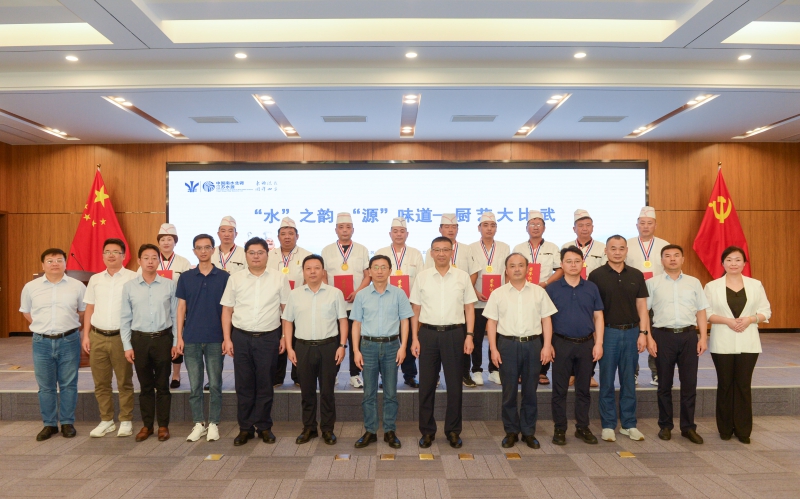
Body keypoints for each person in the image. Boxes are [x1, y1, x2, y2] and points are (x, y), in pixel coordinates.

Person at [221, 237, 290, 446]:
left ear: (268, 255)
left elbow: (286, 311)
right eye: (252, 252)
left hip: (269, 338)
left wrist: (284, 337)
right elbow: (227, 310)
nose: (256, 256)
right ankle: (245, 428)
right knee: (243, 384)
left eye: (260, 252)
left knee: (265, 384)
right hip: (241, 337)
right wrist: (227, 338)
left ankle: (264, 426)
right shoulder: (235, 278)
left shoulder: (279, 278)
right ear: (246, 255)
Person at [410, 236, 478, 449]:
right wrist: (414, 338)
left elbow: (469, 308)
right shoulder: (422, 277)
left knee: (455, 386)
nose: (441, 254)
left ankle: (453, 431)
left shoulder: (462, 276)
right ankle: (427, 431)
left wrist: (469, 335)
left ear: (451, 252)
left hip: (454, 334)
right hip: (427, 335)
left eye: (445, 250)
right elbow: (415, 310)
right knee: (426, 386)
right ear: (431, 253)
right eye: (437, 250)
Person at [485, 253, 557, 449]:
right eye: (512, 266)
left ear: (527, 269)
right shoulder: (498, 293)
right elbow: (491, 323)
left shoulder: (538, 292)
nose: (516, 269)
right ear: (506, 270)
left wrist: (547, 345)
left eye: (520, 265)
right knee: (508, 392)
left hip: (533, 345)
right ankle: (510, 432)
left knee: (530, 392)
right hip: (507, 345)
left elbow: (546, 320)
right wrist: (493, 349)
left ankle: (528, 432)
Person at [704, 246, 771, 444]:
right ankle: (725, 428)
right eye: (729, 260)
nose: (733, 263)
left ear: (744, 263)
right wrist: (727, 321)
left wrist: (750, 319)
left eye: (738, 260)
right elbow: (706, 313)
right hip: (722, 341)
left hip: (748, 342)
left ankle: (743, 430)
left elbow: (766, 311)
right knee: (725, 384)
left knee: (743, 385)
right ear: (722, 263)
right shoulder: (712, 286)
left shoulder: (755, 285)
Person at [20, 248, 86, 441]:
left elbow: (83, 311)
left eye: (59, 260)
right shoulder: (30, 287)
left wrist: (67, 325)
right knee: (46, 386)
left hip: (69, 340)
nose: (55, 263)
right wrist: (42, 326)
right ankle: (49, 424)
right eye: (50, 261)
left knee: (68, 384)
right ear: (43, 265)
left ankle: (67, 422)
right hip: (41, 342)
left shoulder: (77, 286)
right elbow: (26, 311)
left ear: (65, 263)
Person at [588, 235, 649, 443]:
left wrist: (643, 333)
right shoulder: (596, 275)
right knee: (606, 381)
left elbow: (642, 307)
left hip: (632, 332)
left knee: (629, 381)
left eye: (621, 248)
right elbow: (594, 311)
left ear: (626, 251)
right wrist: (597, 338)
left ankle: (629, 424)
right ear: (605, 251)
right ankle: (608, 425)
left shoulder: (636, 275)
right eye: (613, 248)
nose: (617, 252)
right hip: (608, 333)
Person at [283, 255, 349, 445]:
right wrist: (289, 347)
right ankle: (309, 428)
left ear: (323, 271)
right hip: (303, 347)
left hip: (329, 347)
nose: (312, 272)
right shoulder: (294, 295)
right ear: (303, 272)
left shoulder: (334, 293)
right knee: (307, 391)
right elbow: (287, 321)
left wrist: (342, 345)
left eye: (317, 268)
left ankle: (328, 429)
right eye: (308, 268)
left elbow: (343, 320)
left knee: (328, 391)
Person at [646, 244, 709, 444]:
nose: (672, 259)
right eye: (667, 256)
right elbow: (644, 312)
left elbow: (701, 310)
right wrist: (648, 337)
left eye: (676, 255)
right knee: (664, 384)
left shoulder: (694, 282)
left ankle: (688, 427)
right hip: (662, 337)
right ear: (662, 260)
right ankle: (665, 426)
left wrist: (703, 337)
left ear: (683, 259)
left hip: (688, 336)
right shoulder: (652, 283)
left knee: (689, 384)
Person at [351, 255, 414, 449]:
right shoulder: (362, 295)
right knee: (369, 393)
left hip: (391, 346)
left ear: (390, 271)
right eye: (375, 267)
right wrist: (356, 350)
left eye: (383, 267)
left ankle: (389, 431)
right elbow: (356, 324)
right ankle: (370, 431)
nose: (379, 271)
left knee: (390, 392)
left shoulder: (399, 294)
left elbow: (405, 321)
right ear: (369, 271)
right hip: (368, 347)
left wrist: (403, 346)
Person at [546, 246, 604, 445]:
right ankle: (559, 428)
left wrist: (599, 343)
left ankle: (582, 427)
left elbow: (598, 316)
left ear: (582, 263)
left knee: (583, 390)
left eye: (577, 261)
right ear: (561, 265)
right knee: (559, 390)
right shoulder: (552, 289)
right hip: (560, 344)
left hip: (586, 344)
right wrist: (548, 344)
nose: (573, 265)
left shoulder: (592, 288)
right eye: (568, 261)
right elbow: (546, 320)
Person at [175, 234, 230, 442]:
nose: (203, 251)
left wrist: (227, 337)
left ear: (214, 250)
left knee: (215, 383)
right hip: (191, 338)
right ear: (194, 251)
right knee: (195, 384)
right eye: (199, 248)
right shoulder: (186, 277)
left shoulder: (224, 277)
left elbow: (227, 310)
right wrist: (179, 337)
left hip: (216, 338)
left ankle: (214, 423)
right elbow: (181, 308)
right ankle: (198, 423)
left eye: (207, 247)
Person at [121, 244, 178, 442]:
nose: (150, 261)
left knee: (162, 385)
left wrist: (176, 342)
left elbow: (175, 316)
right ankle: (147, 426)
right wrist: (127, 346)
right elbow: (125, 318)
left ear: (159, 261)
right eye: (146, 258)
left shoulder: (169, 285)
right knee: (145, 386)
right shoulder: (129, 287)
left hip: (163, 339)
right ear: (139, 261)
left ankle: (163, 426)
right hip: (140, 340)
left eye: (154, 258)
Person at [82, 238, 137, 438]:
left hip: (121, 338)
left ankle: (126, 420)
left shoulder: (133, 278)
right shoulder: (95, 279)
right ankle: (106, 420)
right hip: (97, 336)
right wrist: (86, 335)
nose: (111, 255)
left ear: (124, 255)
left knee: (124, 382)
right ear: (103, 255)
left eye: (116, 252)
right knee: (101, 382)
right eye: (107, 252)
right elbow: (90, 308)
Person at [137, 223, 191, 389]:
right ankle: (157, 374)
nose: (166, 242)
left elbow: (188, 285)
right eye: (163, 239)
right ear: (158, 242)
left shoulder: (183, 262)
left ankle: (176, 375)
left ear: (175, 241)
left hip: (177, 307)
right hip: (154, 308)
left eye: (169, 239)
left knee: (177, 339)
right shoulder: (150, 260)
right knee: (158, 345)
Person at [513, 209, 562, 386]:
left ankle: (542, 371)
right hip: (523, 293)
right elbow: (512, 269)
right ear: (526, 227)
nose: (535, 227)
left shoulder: (552, 247)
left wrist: (546, 283)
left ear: (544, 227)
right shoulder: (518, 248)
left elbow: (560, 269)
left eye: (538, 224)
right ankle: (520, 370)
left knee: (545, 330)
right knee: (524, 328)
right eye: (532, 224)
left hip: (545, 292)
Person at [321, 212, 371, 388]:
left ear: (353, 230)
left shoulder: (362, 249)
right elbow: (324, 276)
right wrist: (332, 294)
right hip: (335, 304)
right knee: (334, 341)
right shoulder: (326, 250)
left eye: (348, 227)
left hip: (356, 303)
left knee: (356, 340)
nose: (344, 230)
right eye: (341, 227)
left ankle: (354, 374)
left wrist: (358, 292)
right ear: (335, 230)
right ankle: (332, 374)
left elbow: (368, 275)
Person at [375, 217, 424, 388]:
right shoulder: (381, 252)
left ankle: (410, 375)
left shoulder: (416, 253)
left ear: (407, 234)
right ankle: (386, 377)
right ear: (390, 234)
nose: (398, 234)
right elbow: (376, 276)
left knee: (408, 341)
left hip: (409, 305)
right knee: (388, 342)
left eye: (402, 231)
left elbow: (420, 280)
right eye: (395, 231)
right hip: (386, 304)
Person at [626, 206, 671, 386]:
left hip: (657, 298)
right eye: (642, 223)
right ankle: (632, 373)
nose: (645, 226)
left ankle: (657, 372)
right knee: (632, 336)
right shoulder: (627, 244)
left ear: (655, 225)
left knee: (657, 336)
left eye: (649, 223)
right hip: (632, 298)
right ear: (636, 225)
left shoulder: (664, 245)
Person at [562, 209, 605, 388]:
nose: (584, 228)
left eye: (588, 225)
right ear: (574, 228)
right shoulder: (566, 246)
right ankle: (571, 374)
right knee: (572, 333)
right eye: (580, 225)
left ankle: (589, 374)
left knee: (591, 333)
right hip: (571, 292)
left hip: (593, 293)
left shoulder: (602, 247)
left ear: (593, 227)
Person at [467, 212, 511, 387]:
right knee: (477, 337)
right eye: (485, 225)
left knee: (498, 336)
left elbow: (507, 272)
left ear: (496, 229)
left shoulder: (505, 247)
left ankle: (495, 370)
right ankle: (477, 370)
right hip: (478, 300)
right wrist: (475, 292)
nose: (489, 229)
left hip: (498, 300)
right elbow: (468, 273)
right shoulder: (470, 248)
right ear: (479, 228)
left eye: (493, 226)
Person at [267, 217, 311, 387]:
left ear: (297, 236)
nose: (287, 237)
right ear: (278, 237)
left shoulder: (306, 255)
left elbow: (310, 279)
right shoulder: (269, 255)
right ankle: (276, 378)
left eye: (291, 233)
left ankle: (298, 377)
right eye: (283, 234)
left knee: (298, 343)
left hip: (299, 306)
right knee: (277, 343)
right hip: (275, 307)